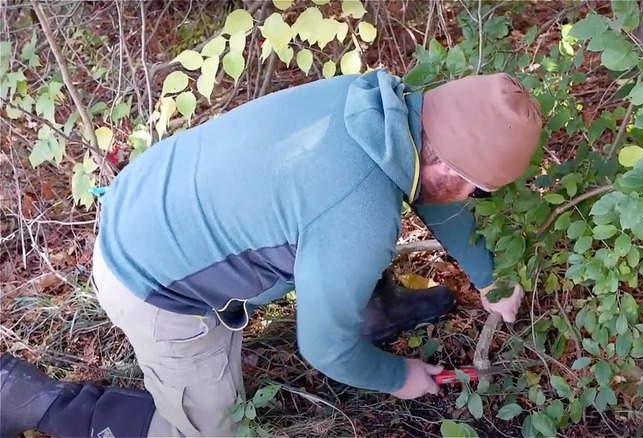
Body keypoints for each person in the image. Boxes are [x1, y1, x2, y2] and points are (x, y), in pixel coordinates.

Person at [0, 68, 542, 437]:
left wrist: (489, 278)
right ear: (447, 162)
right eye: (479, 188)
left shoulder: (378, 107)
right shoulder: (357, 210)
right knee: (213, 428)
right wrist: (399, 378)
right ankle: (41, 403)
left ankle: (375, 312)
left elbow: (433, 191)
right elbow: (324, 349)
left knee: (340, 244)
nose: (474, 200)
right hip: (151, 281)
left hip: (148, 198)